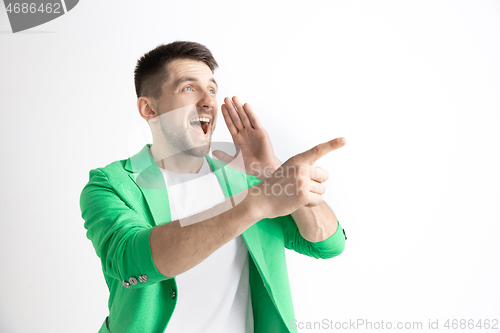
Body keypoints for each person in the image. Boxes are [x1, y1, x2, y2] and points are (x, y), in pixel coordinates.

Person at [80, 41, 347, 333]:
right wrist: (256, 203)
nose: (207, 101)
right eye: (188, 88)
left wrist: (269, 170)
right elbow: (132, 263)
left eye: (211, 89)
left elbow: (327, 244)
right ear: (149, 108)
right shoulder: (112, 184)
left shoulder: (247, 181)